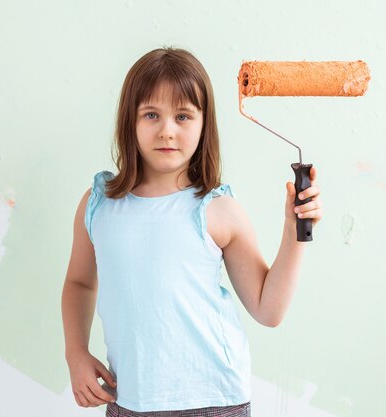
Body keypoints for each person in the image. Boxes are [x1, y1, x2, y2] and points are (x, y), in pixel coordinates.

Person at [61, 46, 323, 417]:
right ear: (129, 121)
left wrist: (293, 230)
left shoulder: (219, 210)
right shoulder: (98, 203)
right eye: (151, 114)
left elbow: (269, 309)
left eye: (183, 116)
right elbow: (79, 284)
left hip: (214, 401)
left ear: (204, 124)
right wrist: (75, 352)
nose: (167, 130)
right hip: (129, 400)